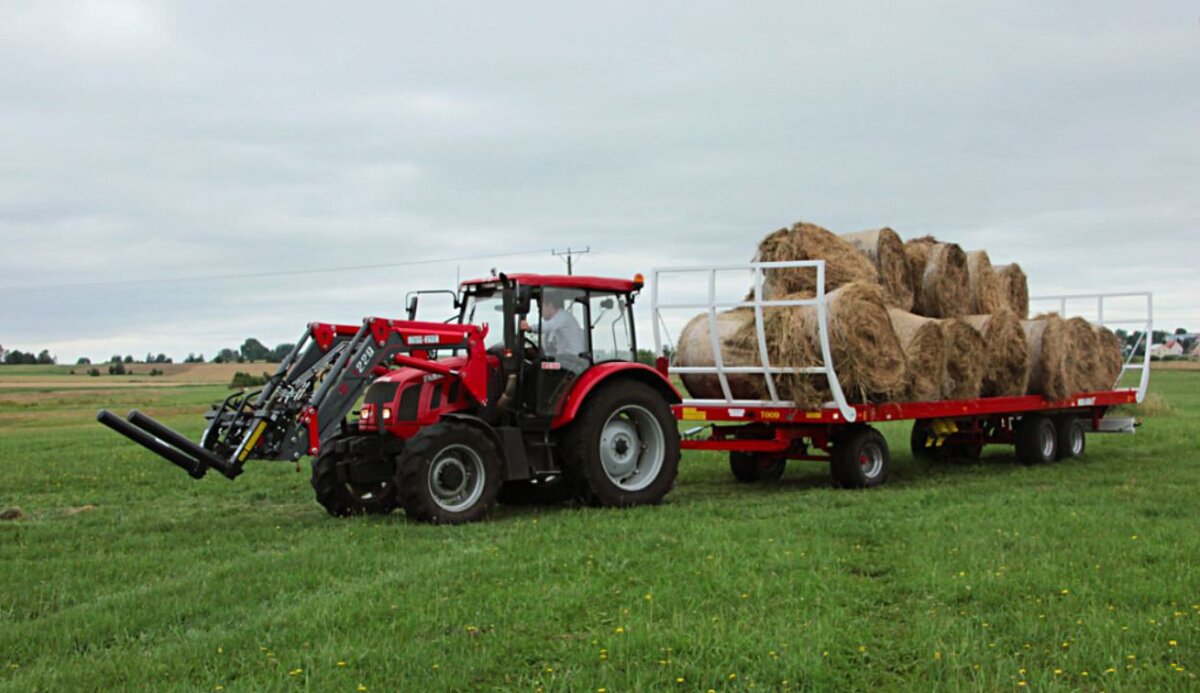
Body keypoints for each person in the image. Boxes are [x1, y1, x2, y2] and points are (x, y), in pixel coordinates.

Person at [521, 291, 587, 370]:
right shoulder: (555, 323)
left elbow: (548, 326)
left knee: (538, 367)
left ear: (550, 305)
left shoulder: (562, 317)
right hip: (564, 358)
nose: (539, 312)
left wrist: (530, 328)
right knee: (537, 365)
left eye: (540, 307)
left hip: (571, 359)